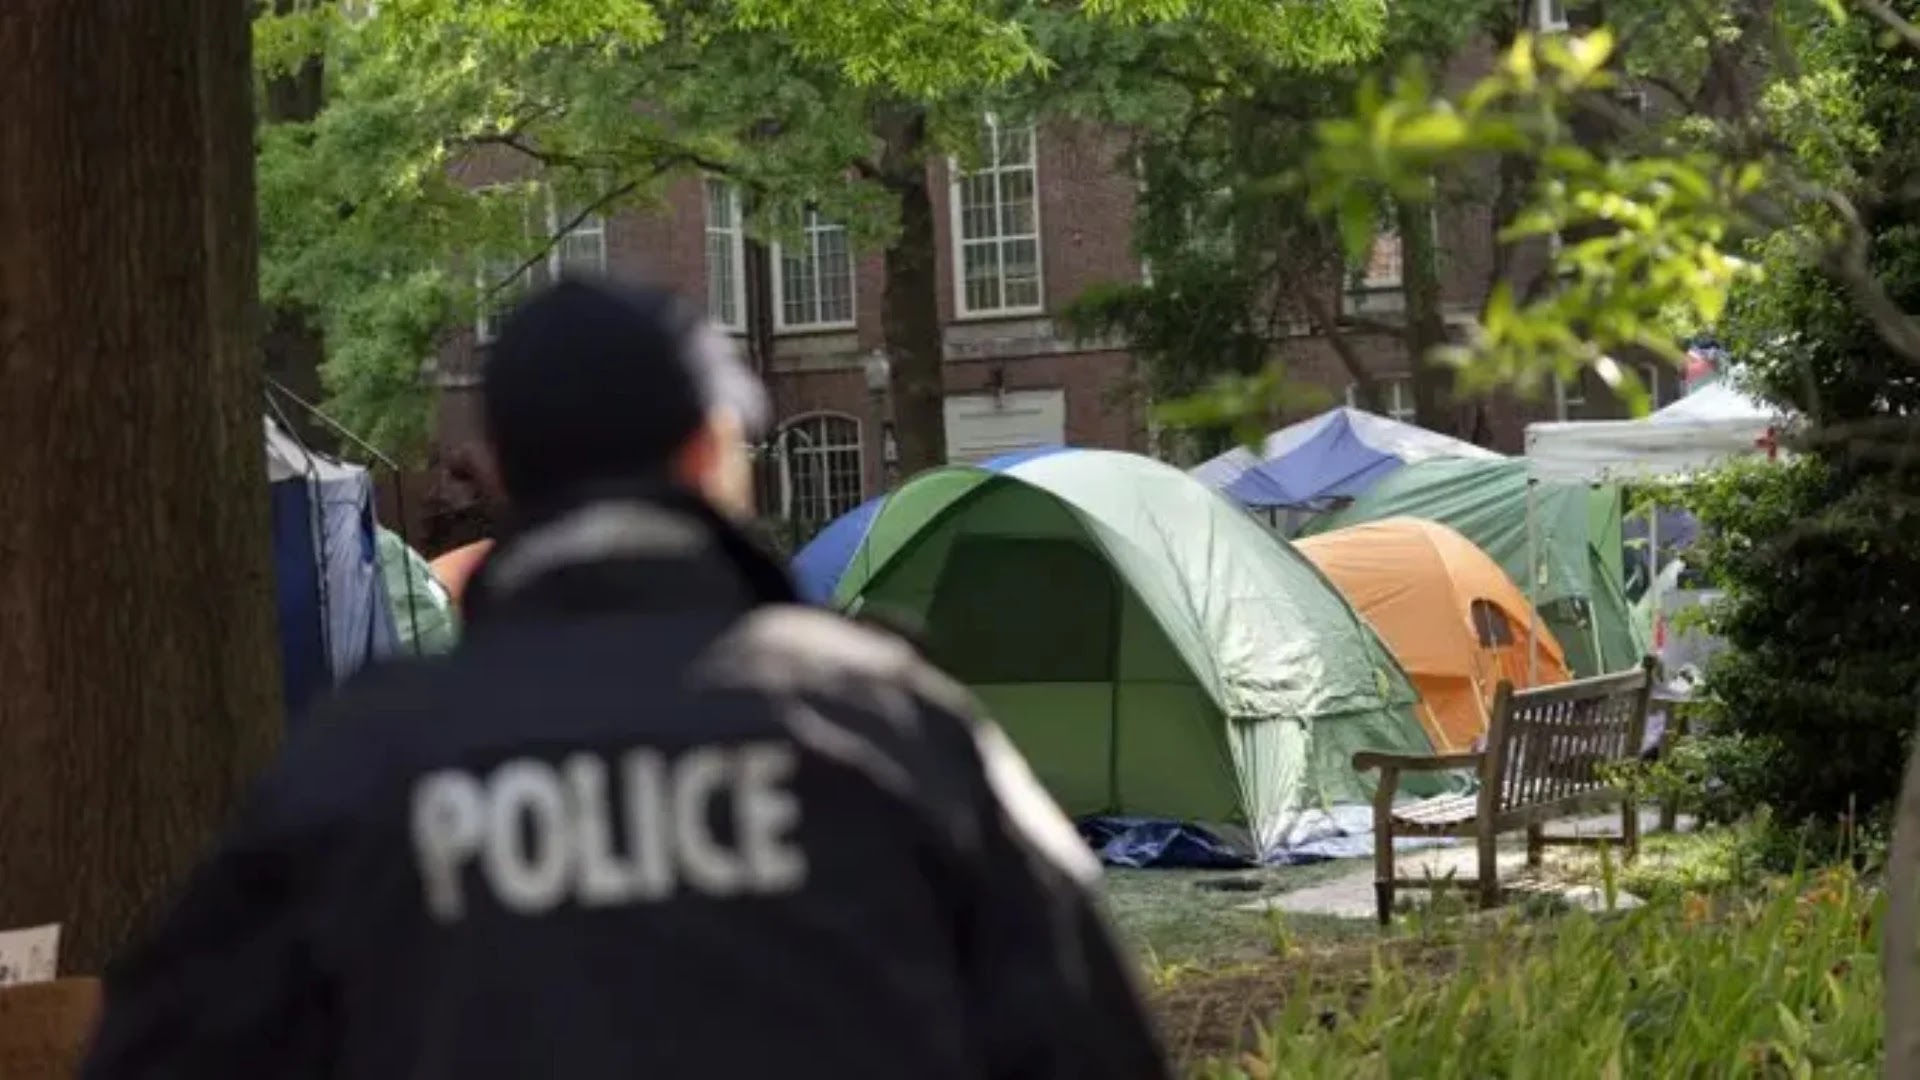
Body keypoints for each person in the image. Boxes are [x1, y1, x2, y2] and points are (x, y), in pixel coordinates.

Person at [83, 278, 1172, 1080]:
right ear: (708, 451)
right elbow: (1094, 1043)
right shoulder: (889, 729)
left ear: (502, 466)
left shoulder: (362, 772)